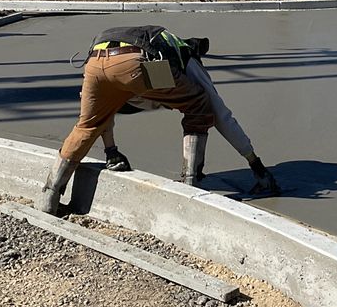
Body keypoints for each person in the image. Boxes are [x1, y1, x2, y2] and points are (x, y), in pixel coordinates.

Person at [37, 25, 216, 215]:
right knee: (198, 103)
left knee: (88, 125)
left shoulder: (153, 35)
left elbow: (106, 114)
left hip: (95, 63)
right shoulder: (178, 50)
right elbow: (161, 83)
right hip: (134, 61)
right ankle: (191, 181)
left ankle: (49, 196)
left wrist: (111, 151)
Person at [99, 36, 279, 195]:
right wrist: (254, 162)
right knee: (199, 107)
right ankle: (191, 179)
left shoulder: (163, 46)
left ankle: (111, 155)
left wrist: (111, 150)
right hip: (144, 63)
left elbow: (98, 112)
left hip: (100, 60)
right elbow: (221, 116)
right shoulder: (189, 60)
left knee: (102, 106)